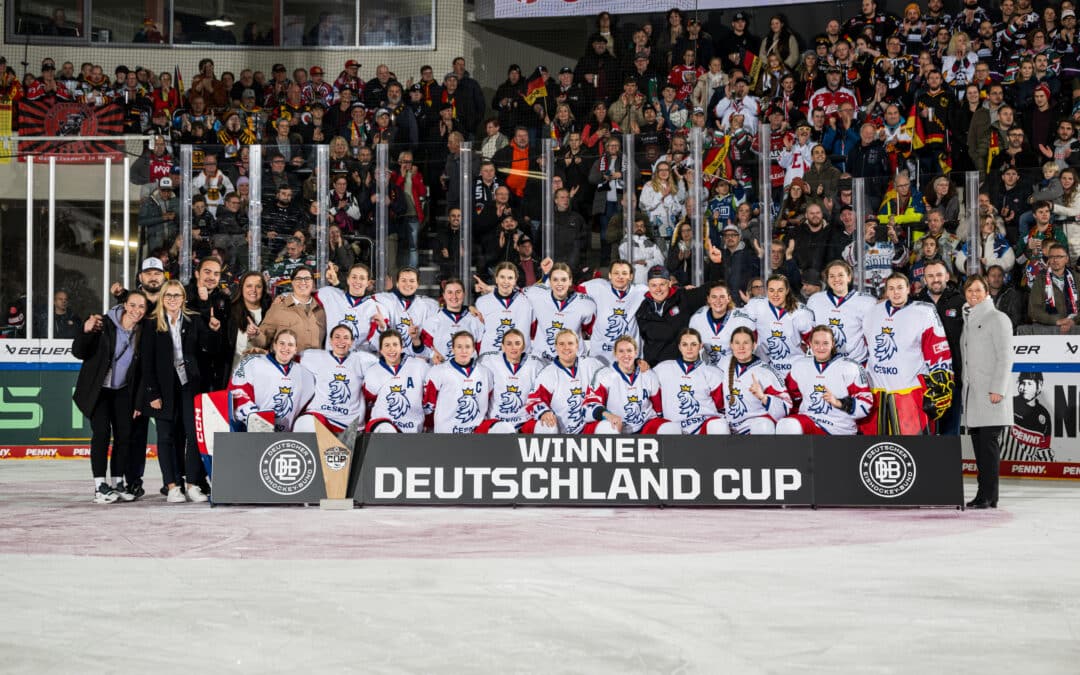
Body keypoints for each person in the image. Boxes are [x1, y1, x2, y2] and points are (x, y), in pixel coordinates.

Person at [141, 280, 221, 503]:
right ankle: (172, 485)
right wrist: (152, 394)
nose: (173, 299)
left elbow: (209, 349)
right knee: (166, 437)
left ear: (183, 298)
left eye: (177, 295)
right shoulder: (151, 324)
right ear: (162, 298)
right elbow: (146, 363)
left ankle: (193, 484)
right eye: (168, 295)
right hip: (164, 388)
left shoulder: (194, 319)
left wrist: (213, 331)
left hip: (190, 385)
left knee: (194, 435)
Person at [72, 292, 148, 503]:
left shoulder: (143, 331)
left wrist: (139, 400)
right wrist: (85, 331)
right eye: (133, 305)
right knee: (102, 433)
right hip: (99, 390)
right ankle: (99, 486)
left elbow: (143, 370)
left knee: (124, 436)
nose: (137, 311)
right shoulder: (102, 324)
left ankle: (117, 481)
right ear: (124, 305)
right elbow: (79, 351)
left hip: (123, 391)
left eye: (141, 307)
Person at [862, 273, 954, 435]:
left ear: (908, 289)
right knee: (878, 448)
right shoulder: (872, 313)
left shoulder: (923, 312)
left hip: (909, 392)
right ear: (886, 291)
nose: (896, 292)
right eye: (891, 288)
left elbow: (937, 349)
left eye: (900, 288)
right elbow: (866, 348)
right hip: (877, 390)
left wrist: (941, 378)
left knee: (913, 449)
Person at [959, 275, 1014, 509]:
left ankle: (988, 495)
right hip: (974, 395)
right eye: (969, 290)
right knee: (980, 449)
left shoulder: (997, 318)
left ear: (987, 293)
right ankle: (986, 495)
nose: (974, 294)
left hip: (991, 395)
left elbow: (1005, 357)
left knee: (988, 449)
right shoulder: (968, 320)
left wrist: (998, 389)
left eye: (978, 290)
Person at [778, 325, 873, 435]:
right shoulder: (800, 366)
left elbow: (866, 404)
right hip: (810, 421)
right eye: (817, 343)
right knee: (786, 425)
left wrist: (839, 402)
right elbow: (791, 398)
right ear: (810, 344)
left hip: (839, 427)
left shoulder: (850, 367)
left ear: (833, 344)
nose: (821, 348)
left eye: (825, 343)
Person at [422, 331, 512, 433]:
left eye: (467, 347)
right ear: (453, 349)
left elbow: (490, 400)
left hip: (476, 429)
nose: (463, 351)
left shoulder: (485, 372)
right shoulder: (438, 371)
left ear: (473, 349)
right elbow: (429, 404)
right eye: (459, 347)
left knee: (505, 428)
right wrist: (428, 426)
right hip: (447, 431)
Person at [294, 325, 377, 435]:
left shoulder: (362, 360)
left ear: (352, 342)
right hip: (321, 416)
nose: (341, 341)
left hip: (349, 423)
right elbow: (287, 357)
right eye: (337, 337)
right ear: (331, 340)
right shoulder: (315, 356)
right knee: (304, 423)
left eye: (346, 338)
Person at [230, 329, 315, 434]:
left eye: (290, 345)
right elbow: (237, 393)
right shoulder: (253, 362)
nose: (286, 348)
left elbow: (308, 408)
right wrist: (258, 421)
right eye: (282, 343)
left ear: (295, 349)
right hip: (252, 433)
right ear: (274, 346)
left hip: (285, 439)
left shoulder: (306, 375)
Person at [591, 336, 680, 434]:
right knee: (608, 429)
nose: (626, 355)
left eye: (629, 350)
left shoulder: (648, 374)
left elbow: (658, 407)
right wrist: (608, 415)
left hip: (646, 424)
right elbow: (591, 403)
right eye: (621, 351)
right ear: (615, 354)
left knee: (670, 429)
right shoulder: (604, 375)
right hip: (617, 424)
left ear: (636, 353)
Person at [525, 329, 606, 434]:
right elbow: (534, 400)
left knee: (608, 426)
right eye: (561, 344)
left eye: (570, 343)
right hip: (558, 427)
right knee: (546, 427)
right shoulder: (548, 373)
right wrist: (544, 412)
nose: (566, 347)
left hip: (587, 427)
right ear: (556, 347)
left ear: (577, 346)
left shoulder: (591, 365)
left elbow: (611, 383)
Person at [652, 328, 729, 434]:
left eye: (693, 344)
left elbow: (722, 406)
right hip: (675, 427)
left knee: (719, 426)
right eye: (684, 344)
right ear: (679, 347)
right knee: (667, 429)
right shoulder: (662, 369)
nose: (689, 348)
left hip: (705, 425)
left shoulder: (713, 373)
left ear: (700, 346)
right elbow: (650, 391)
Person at [717, 327, 792, 434]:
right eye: (737, 343)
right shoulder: (723, 364)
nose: (741, 347)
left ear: (754, 345)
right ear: (731, 345)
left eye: (746, 343)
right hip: (730, 426)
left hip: (755, 425)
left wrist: (763, 397)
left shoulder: (766, 372)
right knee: (716, 426)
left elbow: (786, 407)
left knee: (763, 426)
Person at [741, 275, 815, 378]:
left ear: (787, 290)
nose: (775, 294)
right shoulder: (756, 306)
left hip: (794, 369)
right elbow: (744, 333)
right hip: (765, 369)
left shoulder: (801, 312)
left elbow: (813, 342)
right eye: (771, 290)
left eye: (780, 290)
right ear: (766, 291)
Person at [635, 265, 710, 365]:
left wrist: (716, 264)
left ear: (670, 283)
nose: (658, 289)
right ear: (648, 286)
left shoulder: (684, 297)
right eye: (653, 285)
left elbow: (711, 289)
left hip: (682, 368)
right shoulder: (643, 309)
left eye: (662, 284)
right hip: (654, 369)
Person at [577, 259, 647, 364]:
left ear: (631, 276)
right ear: (610, 275)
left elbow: (662, 291)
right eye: (616, 273)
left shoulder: (640, 291)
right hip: (600, 357)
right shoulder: (598, 286)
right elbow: (574, 290)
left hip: (629, 358)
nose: (620, 276)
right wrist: (585, 325)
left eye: (624, 273)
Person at [524, 261, 596, 362]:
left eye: (563, 280)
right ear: (550, 282)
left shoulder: (585, 304)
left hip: (573, 362)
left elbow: (589, 328)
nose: (559, 284)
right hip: (542, 361)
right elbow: (515, 293)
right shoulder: (536, 295)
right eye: (555, 280)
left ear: (570, 281)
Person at [362, 330, 430, 433]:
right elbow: (367, 402)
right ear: (380, 350)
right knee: (386, 429)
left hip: (413, 428)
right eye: (387, 345)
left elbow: (430, 397)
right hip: (382, 424)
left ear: (401, 347)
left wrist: (428, 423)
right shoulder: (372, 371)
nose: (391, 349)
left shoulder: (420, 366)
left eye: (395, 344)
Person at [478, 328, 543, 431]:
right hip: (497, 421)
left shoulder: (536, 365)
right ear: (502, 347)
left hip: (524, 422)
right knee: (503, 429)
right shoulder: (488, 362)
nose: (513, 347)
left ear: (523, 346)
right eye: (509, 344)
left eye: (517, 343)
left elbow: (539, 395)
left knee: (548, 426)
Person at [252, 266, 327, 353]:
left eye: (307, 278)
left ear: (313, 283)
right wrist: (256, 335)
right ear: (292, 282)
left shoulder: (323, 310)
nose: (303, 282)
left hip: (315, 365)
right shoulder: (278, 307)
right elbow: (263, 342)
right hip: (287, 365)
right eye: (298, 279)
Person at [473, 262, 535, 357]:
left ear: (515, 280)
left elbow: (534, 331)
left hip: (519, 360)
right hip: (490, 360)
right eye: (502, 277)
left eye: (510, 278)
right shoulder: (482, 302)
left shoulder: (527, 301)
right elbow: (477, 335)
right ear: (496, 279)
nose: (506, 281)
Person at [320, 263, 385, 353]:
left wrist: (382, 328)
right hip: (331, 360)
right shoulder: (330, 295)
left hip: (356, 361)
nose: (357, 281)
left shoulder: (374, 307)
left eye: (362, 278)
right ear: (348, 280)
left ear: (368, 283)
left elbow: (377, 346)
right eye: (354, 277)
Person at [416, 279, 485, 363]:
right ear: (444, 295)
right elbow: (422, 348)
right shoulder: (433, 321)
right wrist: (432, 354)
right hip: (441, 372)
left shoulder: (475, 320)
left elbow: (481, 351)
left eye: (458, 292)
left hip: (467, 373)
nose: (454, 296)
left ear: (464, 294)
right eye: (450, 292)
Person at [688, 282, 755, 365]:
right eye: (714, 297)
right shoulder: (697, 318)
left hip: (733, 369)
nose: (718, 301)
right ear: (708, 299)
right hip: (708, 370)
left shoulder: (741, 318)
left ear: (729, 299)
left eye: (722, 297)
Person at [1027, 243, 1079, 334]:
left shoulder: (1077, 278)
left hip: (1075, 327)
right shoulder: (1040, 279)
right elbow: (1033, 310)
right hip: (1049, 329)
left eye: (1059, 256)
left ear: (1066, 259)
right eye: (1051, 257)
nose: (1055, 260)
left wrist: (1073, 321)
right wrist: (1057, 321)